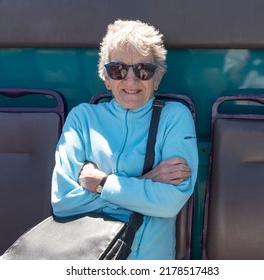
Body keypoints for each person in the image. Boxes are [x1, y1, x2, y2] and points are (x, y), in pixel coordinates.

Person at [51, 19, 199, 260]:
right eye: (118, 70)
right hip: (88, 257)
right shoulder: (82, 118)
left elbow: (170, 203)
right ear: (106, 78)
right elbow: (63, 201)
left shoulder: (174, 117)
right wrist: (146, 181)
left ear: (157, 79)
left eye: (143, 70)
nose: (131, 81)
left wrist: (100, 184)